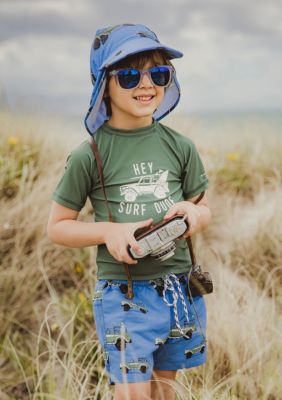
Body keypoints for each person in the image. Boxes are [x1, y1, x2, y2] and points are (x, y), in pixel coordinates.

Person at [47, 23, 211, 400]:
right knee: (132, 393)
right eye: (128, 75)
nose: (146, 84)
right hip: (124, 292)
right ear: (103, 83)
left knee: (164, 388)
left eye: (158, 73)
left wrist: (193, 214)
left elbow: (203, 211)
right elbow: (57, 227)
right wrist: (107, 232)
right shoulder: (89, 155)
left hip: (178, 287)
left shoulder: (180, 146)